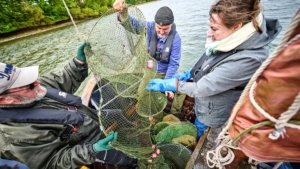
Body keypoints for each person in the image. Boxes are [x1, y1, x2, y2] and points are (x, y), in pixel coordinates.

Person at [145, 0, 281, 139]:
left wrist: (172, 84)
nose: (209, 33)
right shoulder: (232, 40)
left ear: (237, 27)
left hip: (215, 115)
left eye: (214, 29)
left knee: (201, 135)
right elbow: (211, 60)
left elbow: (202, 88)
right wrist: (188, 73)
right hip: (205, 105)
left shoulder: (250, 59)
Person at [0, 43, 137, 169]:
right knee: (127, 160)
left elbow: (62, 79)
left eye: (30, 77)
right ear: (5, 99)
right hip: (90, 152)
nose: (37, 82)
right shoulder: (14, 137)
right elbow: (53, 163)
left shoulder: (34, 87)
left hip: (95, 124)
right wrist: (93, 149)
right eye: (29, 84)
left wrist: (78, 62)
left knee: (131, 137)